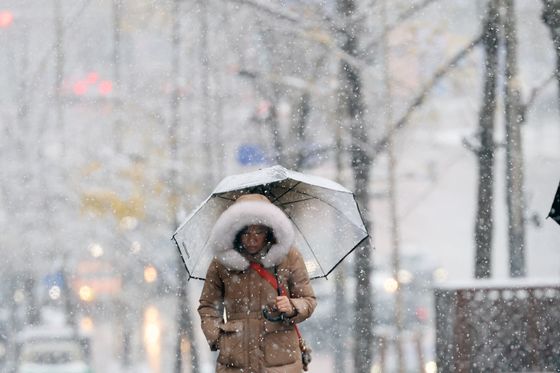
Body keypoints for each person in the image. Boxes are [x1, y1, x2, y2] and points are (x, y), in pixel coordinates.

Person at [198, 193, 316, 373]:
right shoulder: (221, 263)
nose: (252, 238)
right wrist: (219, 338)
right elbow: (208, 306)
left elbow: (308, 300)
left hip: (282, 362)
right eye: (246, 232)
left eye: (259, 232)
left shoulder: (289, 257)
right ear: (236, 232)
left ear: (269, 231)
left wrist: (292, 306)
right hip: (236, 362)